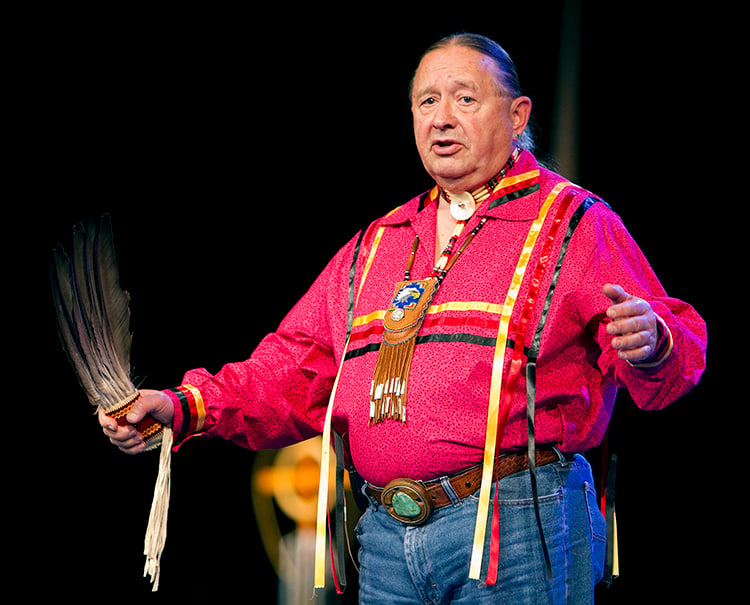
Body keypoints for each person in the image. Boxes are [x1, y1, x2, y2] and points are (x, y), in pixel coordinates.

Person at [100, 33, 707, 603]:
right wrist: (183, 406)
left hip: (515, 527)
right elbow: (296, 369)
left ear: (517, 116)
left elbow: (678, 345)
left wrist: (653, 342)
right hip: (387, 537)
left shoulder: (572, 221)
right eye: (427, 101)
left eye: (465, 98)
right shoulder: (380, 243)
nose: (441, 116)